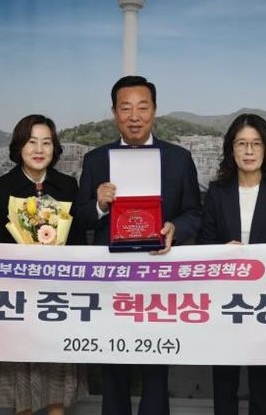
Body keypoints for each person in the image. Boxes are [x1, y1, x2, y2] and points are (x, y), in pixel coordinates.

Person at [74, 75, 202, 415]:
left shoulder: (179, 158)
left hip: (160, 276)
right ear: (114, 113)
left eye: (142, 108)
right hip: (111, 280)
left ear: (154, 111)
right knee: (113, 367)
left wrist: (175, 228)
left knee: (156, 368)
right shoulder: (96, 159)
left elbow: (194, 212)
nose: (134, 116)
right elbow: (80, 218)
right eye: (125, 108)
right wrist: (99, 205)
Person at [0, 114, 86, 415]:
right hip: (17, 294)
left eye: (47, 143)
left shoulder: (67, 186)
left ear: (55, 148)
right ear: (19, 147)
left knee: (56, 371)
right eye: (32, 142)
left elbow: (78, 241)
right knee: (21, 373)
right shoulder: (1, 187)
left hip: (58, 293)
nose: (39, 149)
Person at [198, 113, 266, 415]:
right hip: (226, 300)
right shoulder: (217, 191)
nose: (249, 151)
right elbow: (204, 242)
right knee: (224, 382)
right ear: (231, 149)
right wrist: (222, 252)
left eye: (256, 144)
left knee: (263, 384)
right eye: (241, 144)